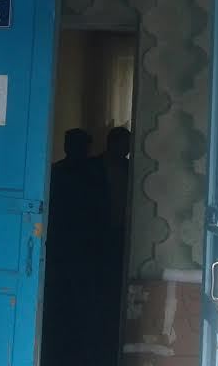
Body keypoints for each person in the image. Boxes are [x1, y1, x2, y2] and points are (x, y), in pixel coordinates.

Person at [42, 129, 109, 366]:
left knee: (73, 299)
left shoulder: (82, 173)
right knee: (69, 298)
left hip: (77, 244)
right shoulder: (71, 172)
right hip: (71, 244)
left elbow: (101, 209)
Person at [96, 126, 132, 364]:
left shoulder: (130, 168)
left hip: (120, 229)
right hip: (97, 230)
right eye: (124, 144)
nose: (126, 149)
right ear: (112, 144)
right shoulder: (94, 168)